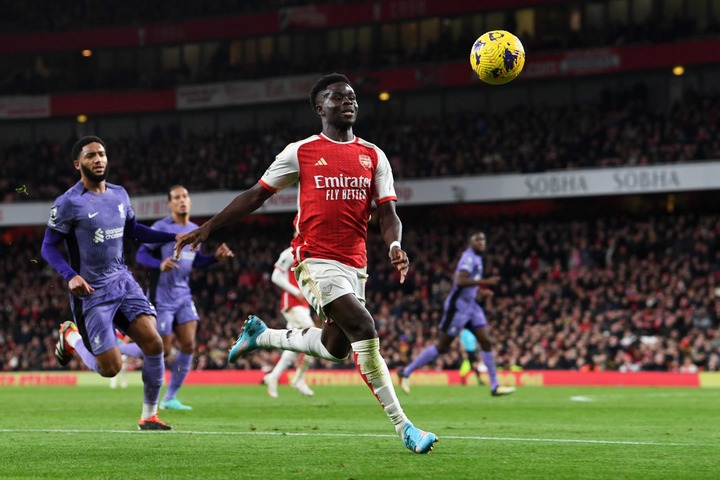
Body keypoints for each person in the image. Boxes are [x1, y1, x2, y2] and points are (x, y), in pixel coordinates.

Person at [174, 73, 438, 454]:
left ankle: (261, 336)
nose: (347, 101)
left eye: (351, 97)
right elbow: (255, 195)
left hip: (355, 264)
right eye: (336, 97)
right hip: (314, 258)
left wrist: (395, 243)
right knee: (365, 328)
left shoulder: (374, 155)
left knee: (336, 348)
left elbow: (389, 212)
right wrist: (209, 227)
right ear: (320, 108)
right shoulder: (301, 152)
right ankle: (405, 427)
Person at [41, 135, 178, 430]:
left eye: (102, 154)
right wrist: (70, 276)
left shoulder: (120, 194)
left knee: (155, 344)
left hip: (122, 281)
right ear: (78, 164)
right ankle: (71, 337)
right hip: (91, 292)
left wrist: (173, 236)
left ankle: (149, 415)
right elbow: (48, 247)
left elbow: (134, 231)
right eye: (91, 156)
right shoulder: (68, 203)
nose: (98, 159)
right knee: (110, 369)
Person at [119, 185, 234, 410]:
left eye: (185, 197)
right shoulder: (162, 228)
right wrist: (159, 264)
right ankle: (118, 347)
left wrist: (215, 258)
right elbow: (141, 254)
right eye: (176, 198)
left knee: (189, 344)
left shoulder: (195, 229)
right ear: (169, 204)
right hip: (162, 295)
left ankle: (170, 397)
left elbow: (197, 261)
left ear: (190, 202)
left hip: (183, 294)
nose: (182, 200)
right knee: (163, 349)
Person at [398, 232, 515, 397]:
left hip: (471, 307)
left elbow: (469, 286)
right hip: (458, 308)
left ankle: (495, 386)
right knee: (442, 347)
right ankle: (406, 371)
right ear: (470, 242)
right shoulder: (468, 258)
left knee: (486, 341)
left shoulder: (478, 259)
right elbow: (460, 281)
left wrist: (480, 292)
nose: (482, 243)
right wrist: (484, 282)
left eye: (483, 240)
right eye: (478, 240)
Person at [262, 239, 316, 398]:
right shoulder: (289, 253)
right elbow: (276, 276)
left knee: (293, 346)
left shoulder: (309, 254)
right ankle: (299, 379)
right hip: (292, 303)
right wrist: (295, 292)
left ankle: (273, 376)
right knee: (312, 334)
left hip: (304, 305)